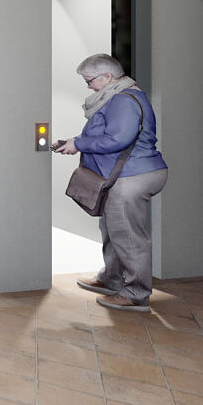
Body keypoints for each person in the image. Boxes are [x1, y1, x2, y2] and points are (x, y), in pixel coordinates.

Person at [53, 53, 166, 312]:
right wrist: (72, 142)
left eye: (90, 80)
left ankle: (137, 294)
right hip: (125, 175)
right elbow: (107, 134)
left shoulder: (123, 100)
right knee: (113, 228)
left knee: (128, 235)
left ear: (108, 76)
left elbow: (118, 139)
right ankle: (111, 278)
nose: (88, 86)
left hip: (133, 176)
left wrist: (79, 144)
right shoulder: (117, 97)